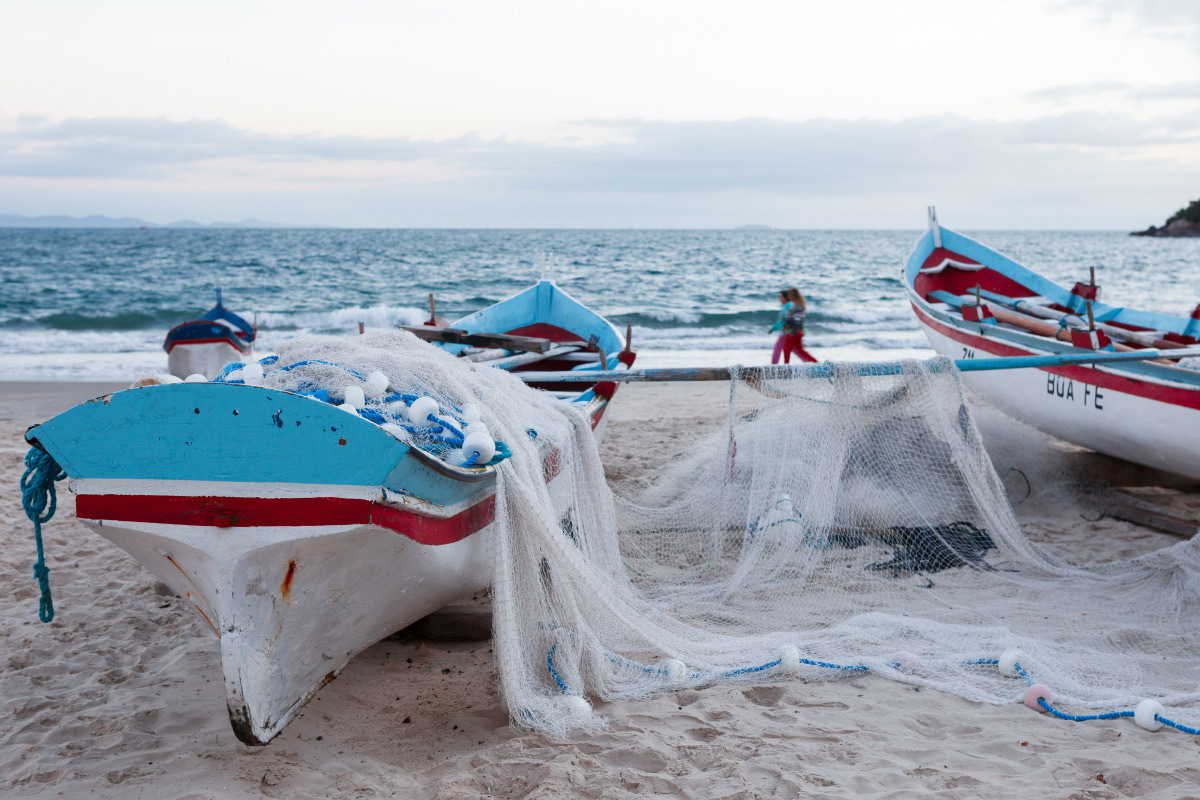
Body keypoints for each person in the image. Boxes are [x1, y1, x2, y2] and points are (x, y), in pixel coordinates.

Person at [779, 287, 817, 364]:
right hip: (798, 331)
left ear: (792, 296)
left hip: (793, 331)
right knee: (800, 350)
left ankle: (786, 368)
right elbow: (794, 319)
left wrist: (791, 330)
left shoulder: (796, 307)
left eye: (789, 295)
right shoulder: (800, 305)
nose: (788, 296)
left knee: (786, 349)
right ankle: (817, 363)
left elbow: (796, 320)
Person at [769, 290, 792, 364]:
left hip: (787, 331)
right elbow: (779, 321)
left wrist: (785, 326)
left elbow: (790, 317)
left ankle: (774, 366)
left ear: (785, 298)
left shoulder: (789, 305)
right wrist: (772, 329)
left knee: (778, 348)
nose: (780, 299)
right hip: (785, 330)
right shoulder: (785, 307)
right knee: (796, 349)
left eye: (781, 297)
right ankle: (813, 363)